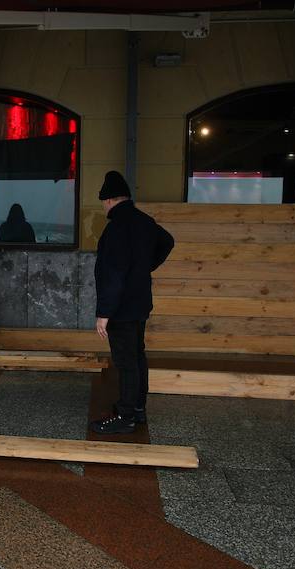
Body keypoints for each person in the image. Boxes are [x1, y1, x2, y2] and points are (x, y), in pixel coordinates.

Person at [91, 171, 174, 434]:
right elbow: (167, 242)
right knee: (137, 356)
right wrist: (145, 267)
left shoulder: (116, 228)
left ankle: (125, 416)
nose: (103, 207)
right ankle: (137, 408)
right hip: (139, 303)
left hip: (121, 307)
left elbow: (113, 274)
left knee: (126, 362)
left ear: (108, 200)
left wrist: (104, 313)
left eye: (103, 202)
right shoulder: (144, 221)